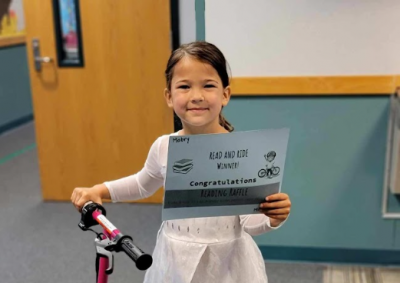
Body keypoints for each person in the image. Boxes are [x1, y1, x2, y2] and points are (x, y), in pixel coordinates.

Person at [71, 41, 292, 283]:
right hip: (176, 259)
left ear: (225, 94)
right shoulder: (164, 146)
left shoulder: (242, 152)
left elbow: (249, 222)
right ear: (169, 96)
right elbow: (142, 183)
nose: (196, 96)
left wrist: (272, 218)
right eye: (184, 86)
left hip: (227, 264)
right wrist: (100, 190)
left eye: (208, 85)